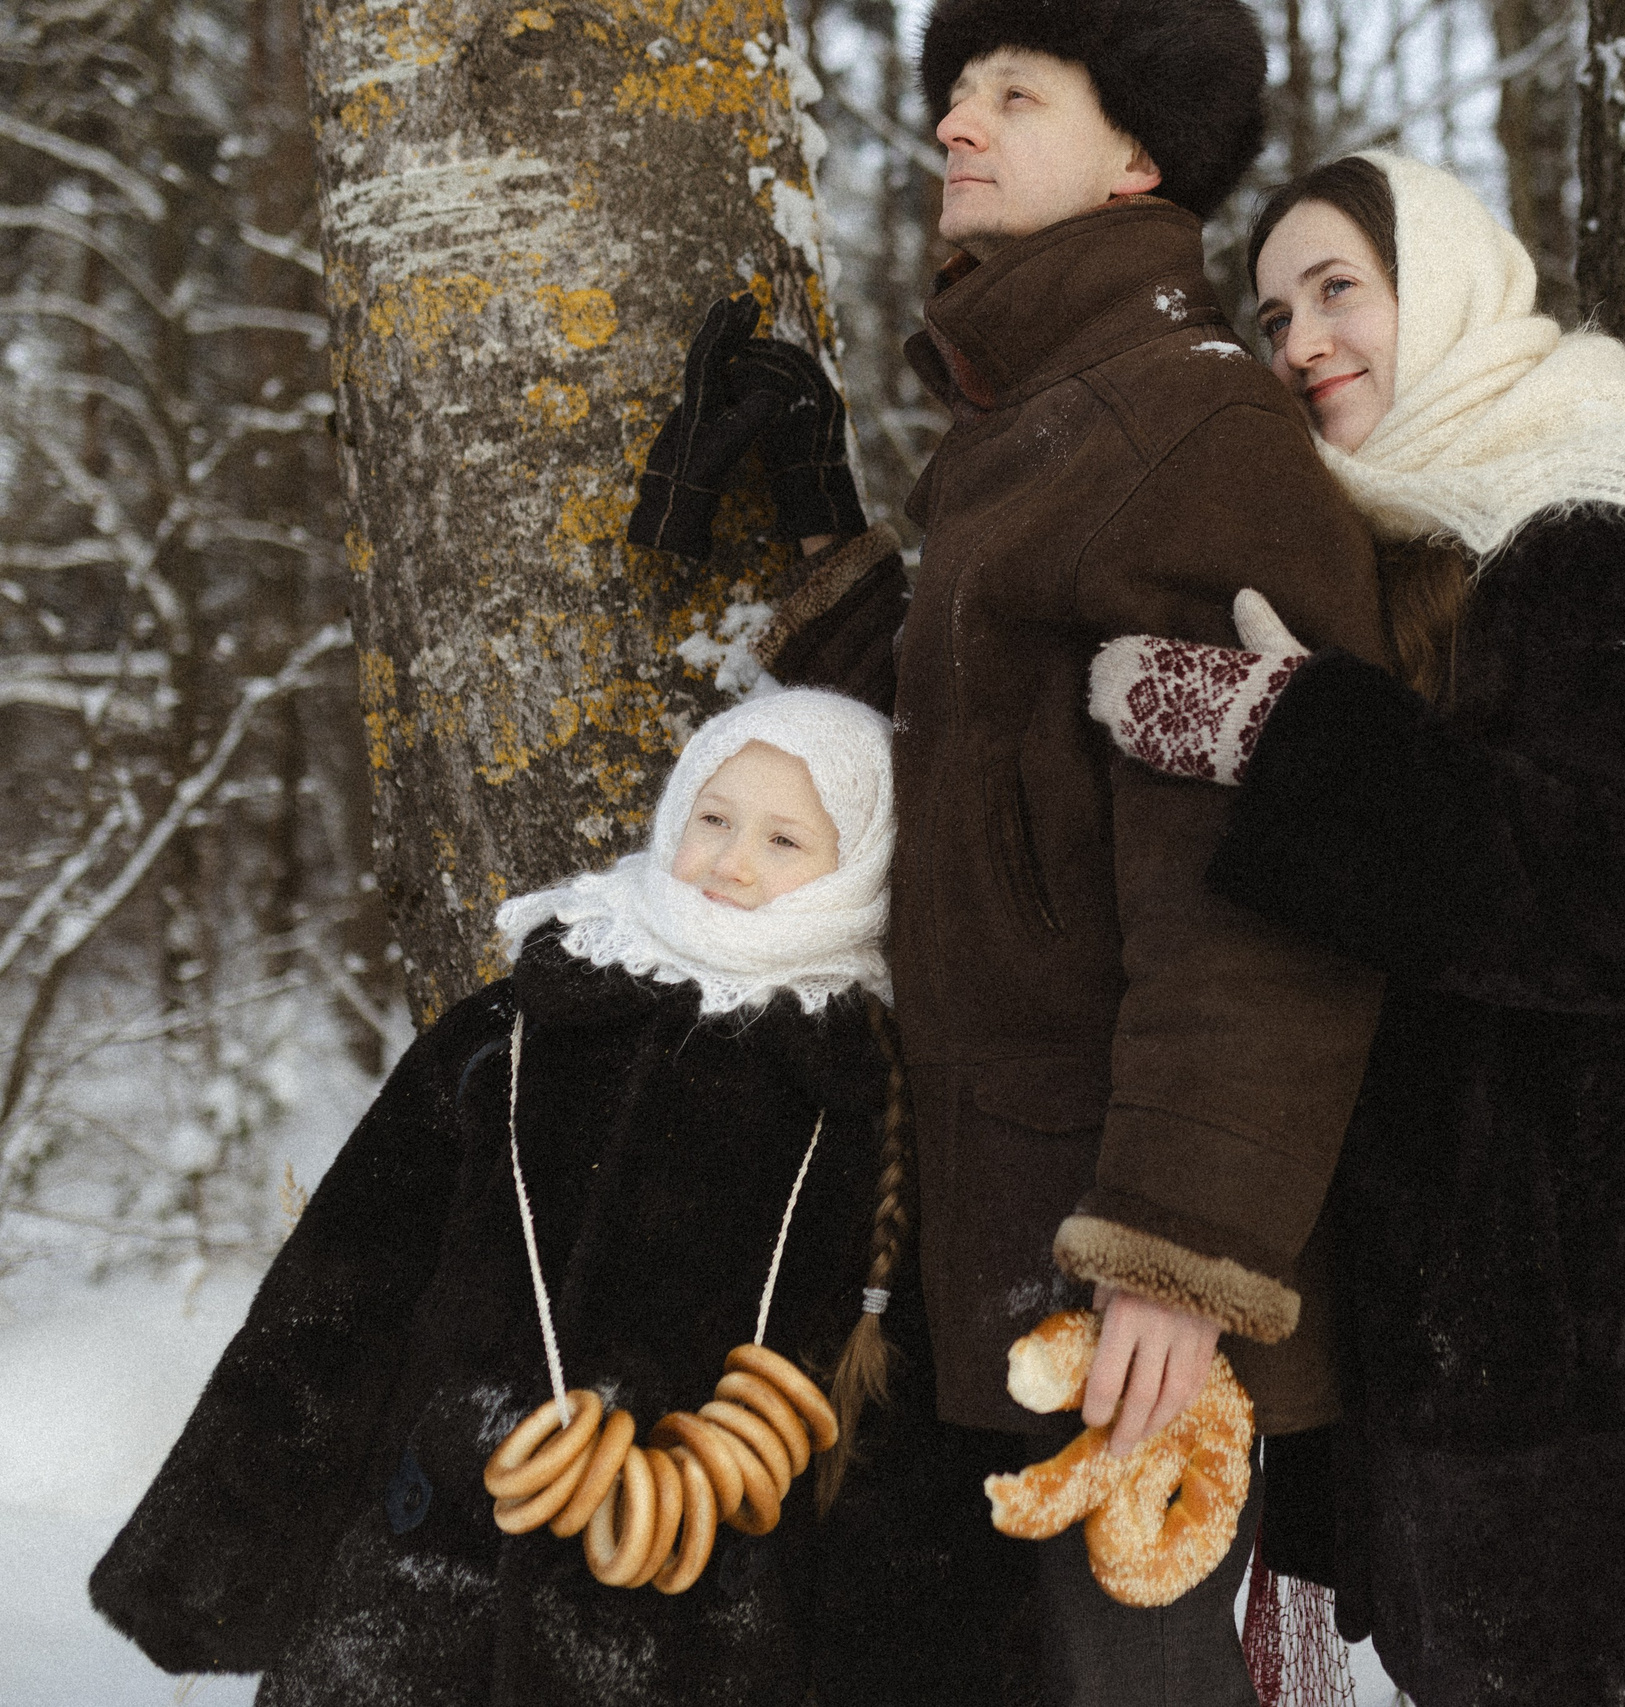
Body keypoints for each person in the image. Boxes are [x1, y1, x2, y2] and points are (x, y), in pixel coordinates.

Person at [730, 2, 1392, 1700]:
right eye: (953, 92)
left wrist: (1175, 1259)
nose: (954, 124)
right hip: (999, 1235)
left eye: (1013, 92)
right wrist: (823, 540)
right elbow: (984, 782)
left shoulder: (1197, 433)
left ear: (1138, 155)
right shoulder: (1040, 436)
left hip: (1125, 1282)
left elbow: (1271, 897)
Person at [1085, 152, 1625, 1705]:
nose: (1304, 341)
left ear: (1455, 283)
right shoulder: (1410, 532)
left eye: (1343, 288)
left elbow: (1611, 902)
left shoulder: (1610, 522)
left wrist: (1292, 737)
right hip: (1466, 1355)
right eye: (1273, 314)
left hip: (1604, 1372)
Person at [88, 689, 1026, 1706]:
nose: (732, 860)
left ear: (859, 870)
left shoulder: (866, 1094)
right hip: (425, 1581)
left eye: (785, 839)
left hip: (693, 1632)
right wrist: (210, 1565)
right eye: (712, 817)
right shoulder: (520, 1026)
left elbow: (905, 1436)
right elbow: (343, 1288)